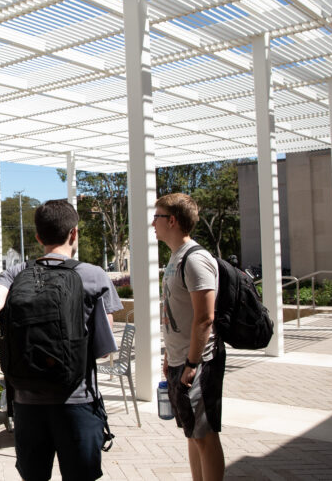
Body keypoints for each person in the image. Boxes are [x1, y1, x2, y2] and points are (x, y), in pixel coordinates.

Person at [0, 199, 122, 481]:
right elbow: (103, 351)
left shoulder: (17, 274)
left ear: (38, 237)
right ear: (74, 233)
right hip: (77, 400)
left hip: (27, 403)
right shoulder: (93, 275)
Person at [155, 193, 225, 481]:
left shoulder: (196, 259)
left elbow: (205, 317)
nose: (152, 223)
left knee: (205, 435)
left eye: (157, 217)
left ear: (172, 220)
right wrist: (169, 357)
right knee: (192, 433)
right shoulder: (176, 258)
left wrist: (192, 363)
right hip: (180, 360)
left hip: (199, 362)